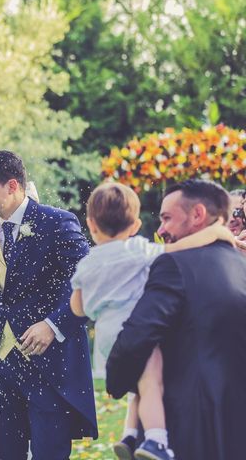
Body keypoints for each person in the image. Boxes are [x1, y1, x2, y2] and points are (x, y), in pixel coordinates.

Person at [70, 182, 234, 460]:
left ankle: (130, 433)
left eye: (166, 217)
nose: (160, 228)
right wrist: (218, 231)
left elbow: (77, 307)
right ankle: (156, 440)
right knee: (150, 385)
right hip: (132, 329)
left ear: (90, 224)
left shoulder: (87, 263)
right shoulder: (138, 251)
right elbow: (180, 248)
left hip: (107, 336)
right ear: (135, 225)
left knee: (140, 387)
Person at [0, 150, 97, 459]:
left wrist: (53, 325)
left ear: (11, 186)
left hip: (48, 369)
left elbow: (88, 283)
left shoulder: (57, 222)